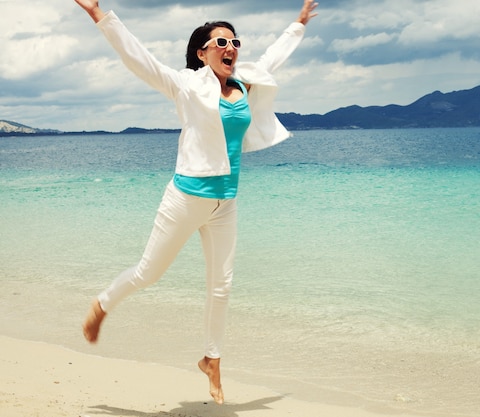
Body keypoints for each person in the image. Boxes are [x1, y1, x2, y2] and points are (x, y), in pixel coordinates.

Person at [75, 0, 318, 405]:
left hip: (226, 203)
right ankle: (103, 303)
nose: (231, 47)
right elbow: (141, 60)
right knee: (148, 273)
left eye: (235, 41)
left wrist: (298, 25)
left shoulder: (243, 83)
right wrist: (101, 14)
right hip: (186, 199)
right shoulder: (188, 86)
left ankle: (212, 359)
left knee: (221, 287)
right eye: (221, 41)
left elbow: (273, 58)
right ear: (202, 53)